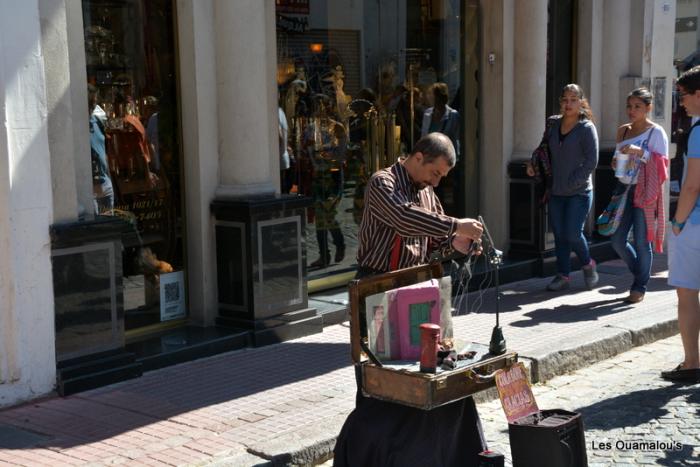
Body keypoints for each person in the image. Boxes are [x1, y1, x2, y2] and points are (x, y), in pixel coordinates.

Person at [334, 133, 486, 467]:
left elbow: (433, 242)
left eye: (442, 177)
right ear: (418, 157)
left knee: (418, 370)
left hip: (415, 287)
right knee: (377, 375)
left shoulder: (428, 193)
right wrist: (456, 225)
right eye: (436, 173)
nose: (437, 180)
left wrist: (456, 245)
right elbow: (403, 219)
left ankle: (414, 450)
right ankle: (370, 451)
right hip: (377, 286)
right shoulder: (381, 182)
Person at [526, 83, 599, 291]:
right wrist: (534, 165)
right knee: (559, 235)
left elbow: (592, 161)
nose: (569, 104)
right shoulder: (552, 124)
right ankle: (563, 275)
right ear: (560, 102)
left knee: (573, 233)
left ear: (581, 102)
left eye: (573, 100)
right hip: (555, 190)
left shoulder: (586, 128)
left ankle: (588, 264)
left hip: (580, 191)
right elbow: (543, 150)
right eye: (565, 99)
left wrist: (574, 181)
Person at [609, 88, 669, 304]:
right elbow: (617, 157)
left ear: (648, 108)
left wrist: (639, 152)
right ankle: (640, 273)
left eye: (637, 106)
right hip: (623, 188)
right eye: (629, 106)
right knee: (616, 239)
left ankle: (639, 287)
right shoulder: (623, 131)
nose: (632, 111)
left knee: (643, 242)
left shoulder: (656, 132)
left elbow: (662, 166)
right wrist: (615, 162)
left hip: (645, 191)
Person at [662, 65, 700, 383]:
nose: (681, 103)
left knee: (687, 294)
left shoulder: (699, 131)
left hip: (695, 223)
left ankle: (691, 363)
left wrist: (677, 223)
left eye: (684, 95)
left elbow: (691, 185)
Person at [88, 84, 114, 215]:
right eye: (92, 101)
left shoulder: (97, 120)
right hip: (90, 187)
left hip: (105, 183)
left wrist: (109, 177)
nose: (94, 105)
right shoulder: (78, 125)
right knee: (96, 228)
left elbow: (104, 150)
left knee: (110, 224)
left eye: (95, 101)